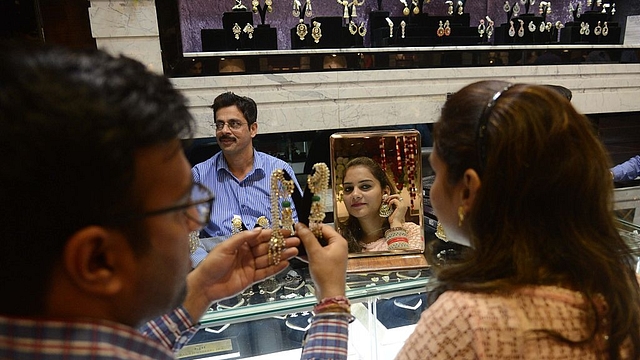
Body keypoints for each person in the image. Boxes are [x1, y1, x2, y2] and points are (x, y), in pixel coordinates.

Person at [0, 43, 349, 359]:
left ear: (252, 129)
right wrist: (332, 302)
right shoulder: (202, 171)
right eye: (178, 208)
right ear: (98, 259)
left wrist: (200, 290)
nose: (195, 222)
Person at [313, 81, 640, 359]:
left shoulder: (467, 320)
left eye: (436, 172)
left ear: (467, 190)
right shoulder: (623, 289)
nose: (430, 188)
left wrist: (330, 299)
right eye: (349, 188)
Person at [190, 92, 302, 267]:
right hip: (221, 274)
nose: (225, 131)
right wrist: (207, 268)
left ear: (253, 129)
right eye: (220, 125)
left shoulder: (280, 171)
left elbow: (298, 226)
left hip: (274, 268)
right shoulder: (199, 176)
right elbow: (186, 235)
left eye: (234, 124)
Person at [339, 157, 423, 252]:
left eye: (365, 186)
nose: (355, 195)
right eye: (348, 189)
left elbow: (403, 264)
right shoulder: (338, 240)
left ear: (385, 192)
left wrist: (395, 224)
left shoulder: (413, 232)